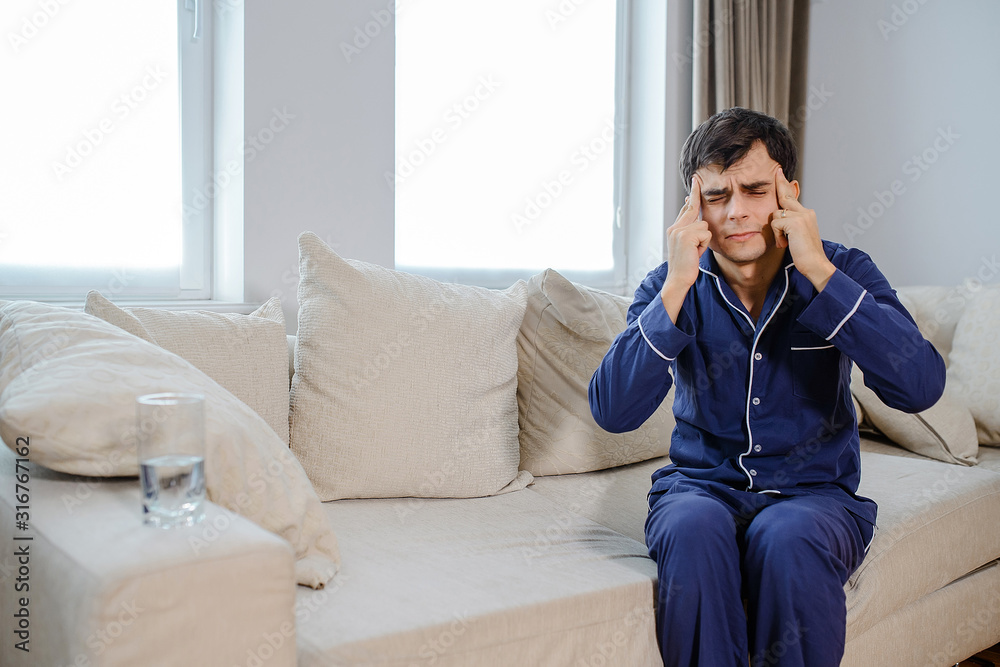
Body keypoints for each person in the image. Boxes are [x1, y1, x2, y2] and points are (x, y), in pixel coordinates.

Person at [588, 107, 945, 667]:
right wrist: (678, 283)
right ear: (692, 206)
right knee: (691, 527)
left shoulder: (843, 269)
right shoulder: (668, 286)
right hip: (700, 490)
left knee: (788, 537)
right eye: (715, 195)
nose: (736, 212)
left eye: (755, 190)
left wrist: (819, 273)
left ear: (789, 193)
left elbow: (919, 386)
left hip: (815, 499)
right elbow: (612, 410)